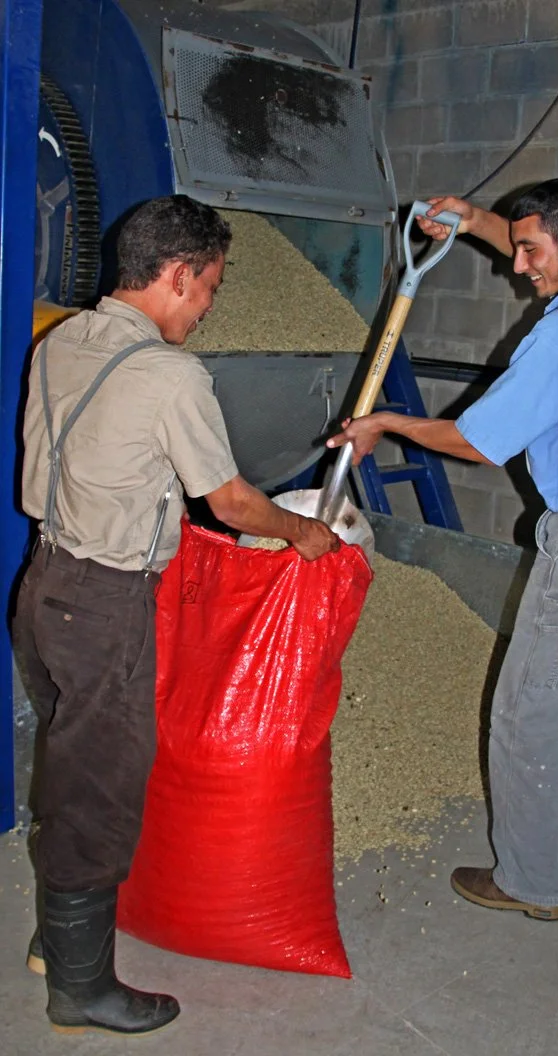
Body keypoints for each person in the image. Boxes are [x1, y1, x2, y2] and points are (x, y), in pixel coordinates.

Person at [13, 194, 339, 1036]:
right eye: (210, 290)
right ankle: (80, 990)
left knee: (68, 764)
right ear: (179, 275)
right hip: (104, 605)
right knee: (99, 791)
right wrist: (300, 531)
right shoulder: (168, 374)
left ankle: (57, 942)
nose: (206, 309)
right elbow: (229, 503)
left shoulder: (62, 342)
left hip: (43, 587)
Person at [328, 177, 558, 922]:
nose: (519, 268)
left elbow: (478, 442)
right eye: (516, 248)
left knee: (529, 718)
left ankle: (529, 883)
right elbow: (530, 245)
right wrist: (474, 221)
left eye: (530, 251)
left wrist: (387, 423)